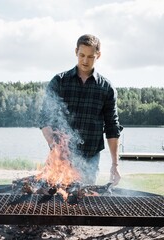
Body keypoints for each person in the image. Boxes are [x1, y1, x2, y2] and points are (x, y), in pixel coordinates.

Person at [39, 34, 122, 185]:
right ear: (76, 51)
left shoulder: (106, 88)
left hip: (90, 159)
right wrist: (55, 147)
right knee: (56, 202)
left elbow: (112, 127)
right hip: (61, 158)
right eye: (82, 55)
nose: (85, 60)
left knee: (85, 203)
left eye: (90, 56)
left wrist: (115, 165)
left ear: (99, 55)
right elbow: (44, 118)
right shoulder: (59, 81)